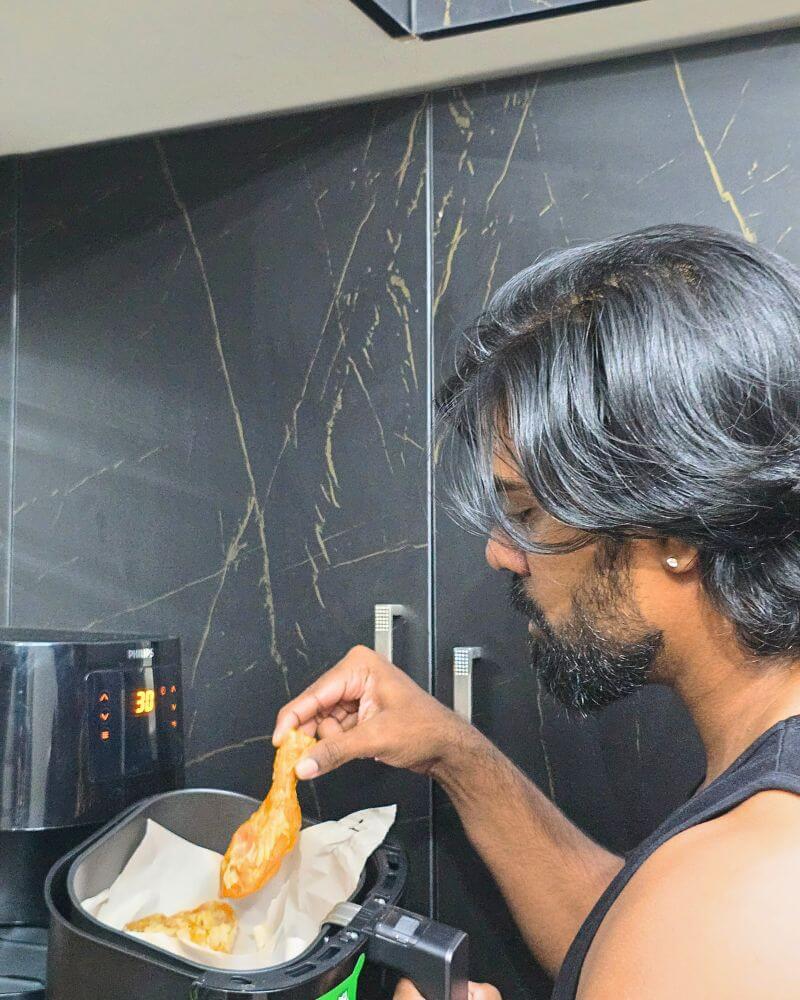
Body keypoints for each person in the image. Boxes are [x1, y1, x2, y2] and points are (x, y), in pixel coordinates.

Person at [274, 224, 800, 999]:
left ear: (677, 531)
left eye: (526, 510)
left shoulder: (748, 890)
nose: (501, 550)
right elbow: (630, 938)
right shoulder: (733, 868)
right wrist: (459, 753)